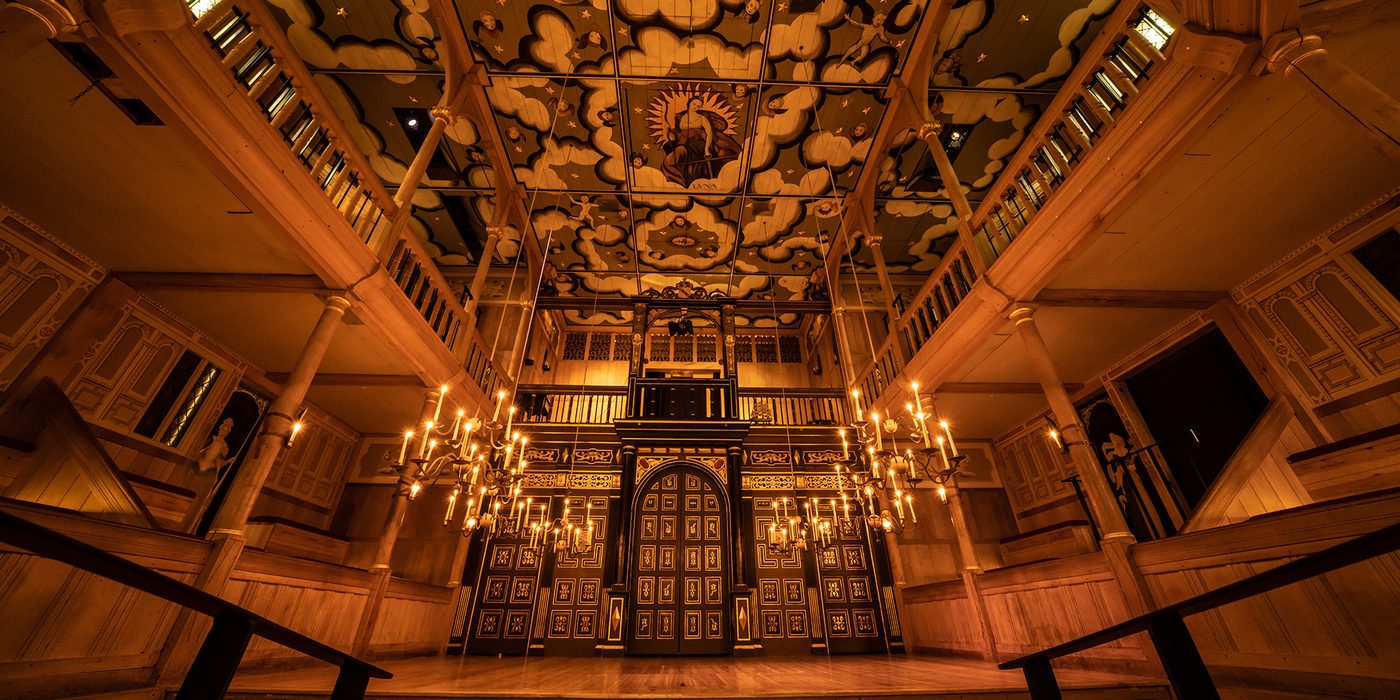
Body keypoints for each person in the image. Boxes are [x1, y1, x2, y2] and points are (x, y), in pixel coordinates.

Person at [660, 96, 742, 187]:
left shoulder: (702, 118)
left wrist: (706, 149)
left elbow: (709, 133)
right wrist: (667, 130)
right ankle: (677, 184)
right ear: (689, 103)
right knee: (670, 161)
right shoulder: (681, 117)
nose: (695, 107)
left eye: (698, 106)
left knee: (680, 153)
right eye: (694, 104)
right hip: (684, 144)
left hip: (698, 144)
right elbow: (676, 135)